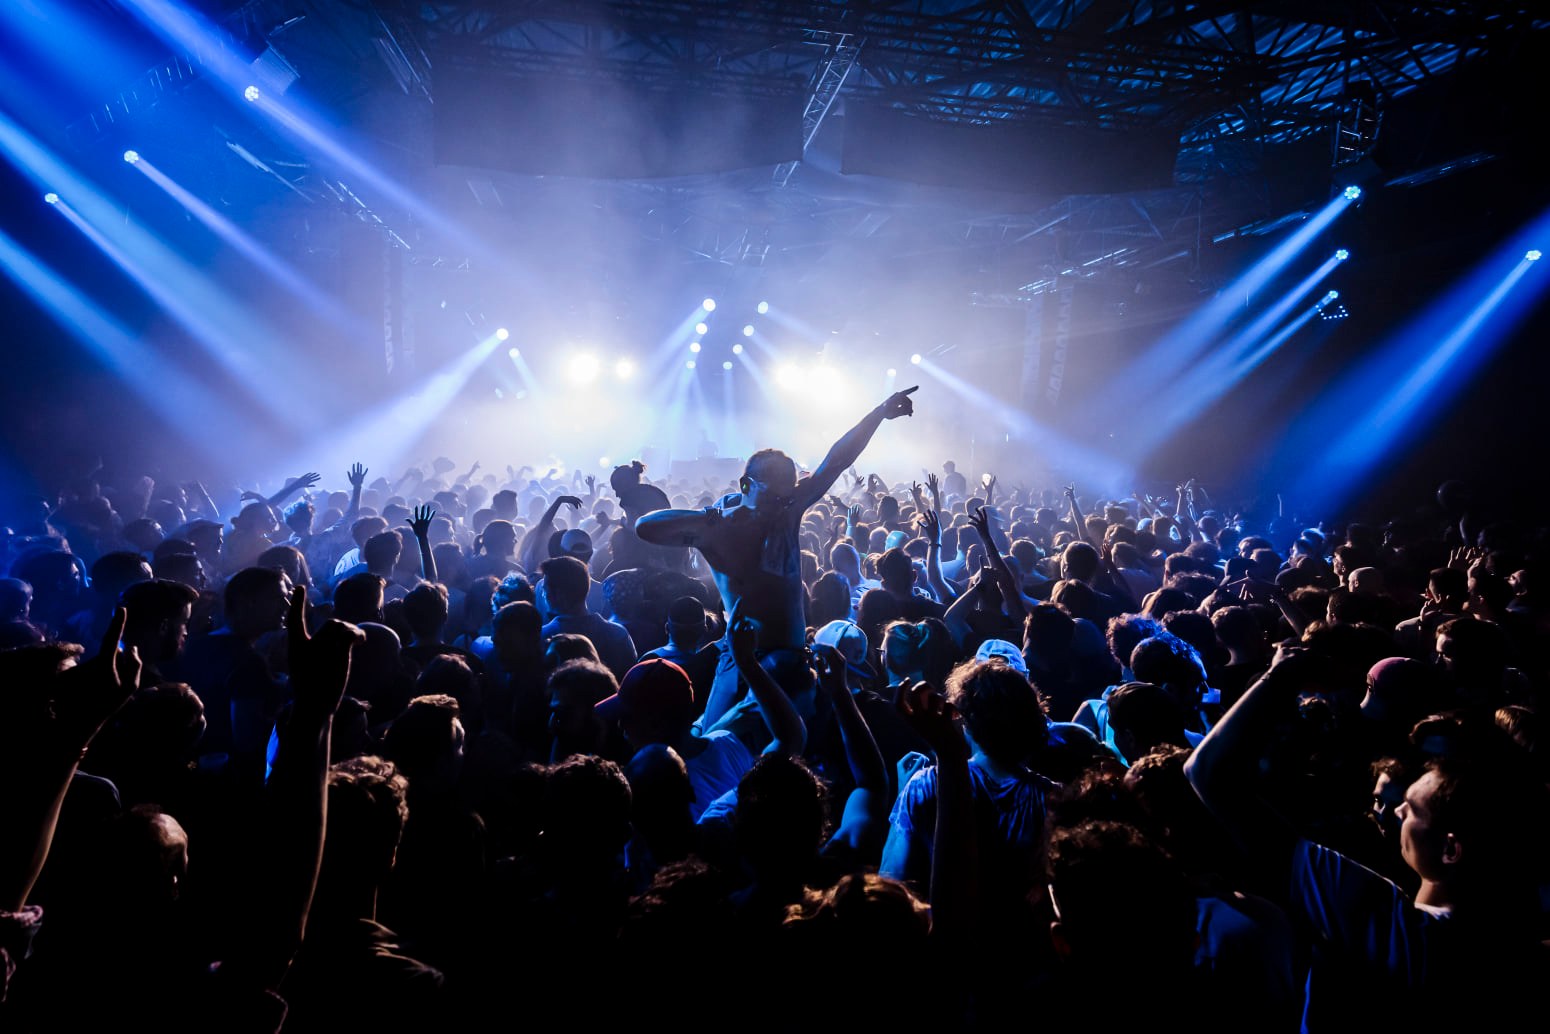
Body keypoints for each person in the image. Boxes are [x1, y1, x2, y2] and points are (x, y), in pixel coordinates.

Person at [635, 387, 918, 728]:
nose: (782, 502)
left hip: (792, 659)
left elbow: (836, 461)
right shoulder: (718, 528)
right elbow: (645, 528)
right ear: (745, 486)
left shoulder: (789, 509)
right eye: (772, 494)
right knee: (723, 742)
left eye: (788, 492)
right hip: (743, 661)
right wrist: (708, 517)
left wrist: (878, 414)